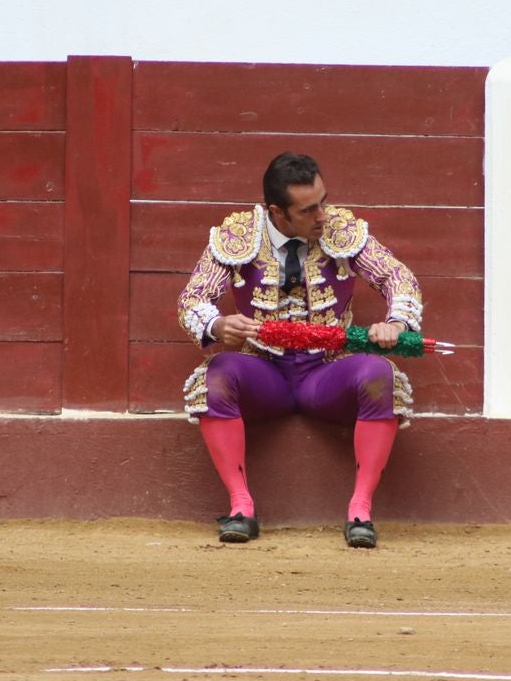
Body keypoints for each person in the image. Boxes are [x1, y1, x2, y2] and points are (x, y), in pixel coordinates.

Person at [177, 152, 423, 548]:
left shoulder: (341, 228)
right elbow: (193, 298)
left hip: (329, 371)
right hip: (263, 370)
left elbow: (397, 276)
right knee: (216, 376)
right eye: (308, 210)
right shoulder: (239, 235)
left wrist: (395, 323)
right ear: (277, 211)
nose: (322, 215)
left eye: (323, 201)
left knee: (380, 376)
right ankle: (241, 506)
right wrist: (218, 325)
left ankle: (360, 510)